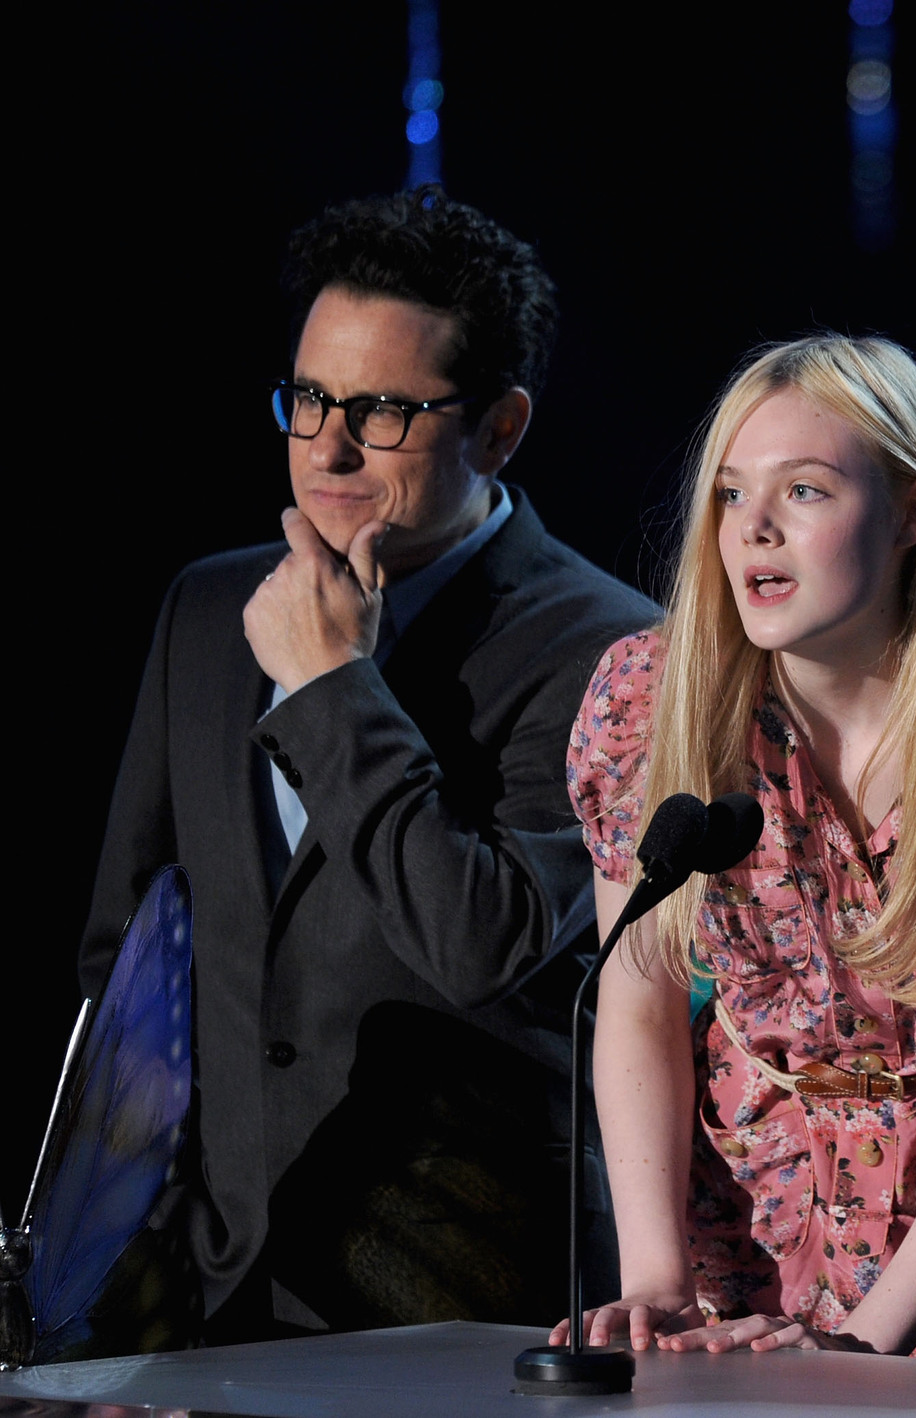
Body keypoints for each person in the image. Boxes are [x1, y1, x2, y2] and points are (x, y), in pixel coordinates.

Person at [81, 187, 660, 1341]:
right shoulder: (207, 606)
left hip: (465, 1301)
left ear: (500, 427)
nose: (330, 446)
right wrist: (121, 1287)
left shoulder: (616, 651)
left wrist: (331, 684)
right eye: (308, 399)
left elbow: (481, 940)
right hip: (207, 1294)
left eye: (385, 409)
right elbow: (129, 955)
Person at [553, 334, 916, 1356]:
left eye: (806, 491)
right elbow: (639, 998)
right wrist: (655, 1280)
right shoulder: (649, 701)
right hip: (734, 1225)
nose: (755, 531)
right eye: (732, 494)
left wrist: (866, 1342)